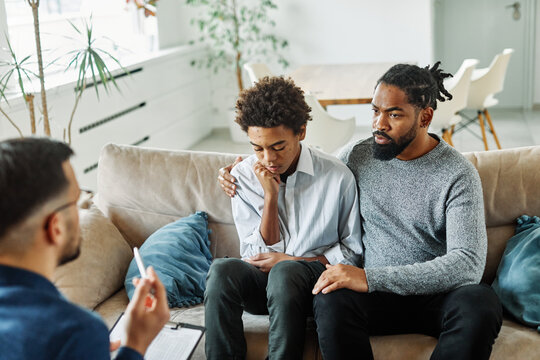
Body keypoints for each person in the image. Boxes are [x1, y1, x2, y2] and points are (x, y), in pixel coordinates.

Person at [218, 63, 503, 359]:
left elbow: (467, 263)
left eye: (393, 114)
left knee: (480, 301)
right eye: (375, 111)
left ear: (425, 117)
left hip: (435, 298)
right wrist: (242, 171)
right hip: (373, 301)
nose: (379, 123)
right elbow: (306, 160)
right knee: (330, 297)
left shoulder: (457, 174)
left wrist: (369, 278)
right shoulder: (359, 155)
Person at [205, 76, 363, 359]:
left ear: (301, 132)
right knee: (221, 270)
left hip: (314, 286)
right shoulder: (242, 177)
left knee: (285, 271)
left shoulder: (337, 177)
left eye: (278, 146)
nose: (268, 159)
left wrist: (295, 263)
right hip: (264, 287)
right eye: (257, 148)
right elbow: (255, 255)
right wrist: (270, 198)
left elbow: (351, 254)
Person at [0, 137, 170, 360]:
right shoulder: (73, 331)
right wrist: (135, 345)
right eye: (76, 200)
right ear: (56, 226)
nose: (83, 210)